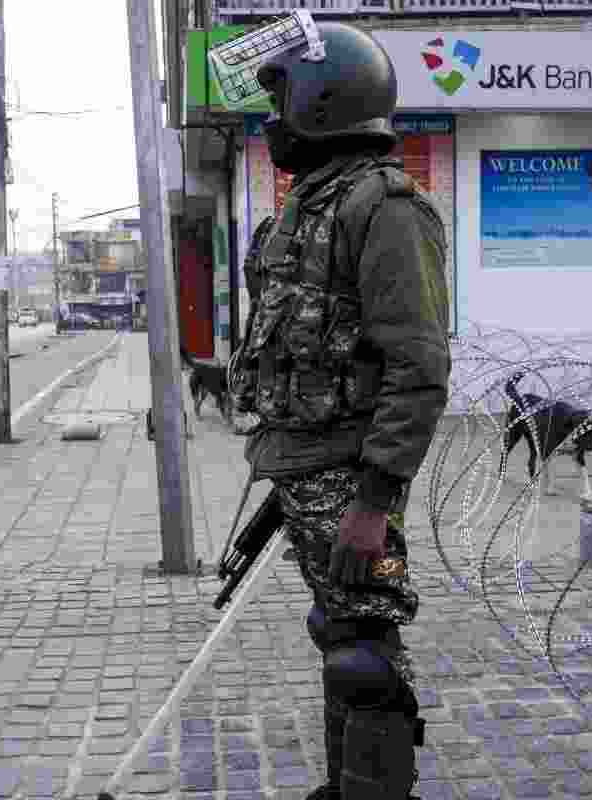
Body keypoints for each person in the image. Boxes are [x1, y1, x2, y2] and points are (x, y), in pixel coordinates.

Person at [228, 20, 451, 800]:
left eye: (281, 101)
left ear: (323, 106)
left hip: (358, 489)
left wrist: (373, 505)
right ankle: (348, 788)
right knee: (339, 638)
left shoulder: (385, 209)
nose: (269, 120)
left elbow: (418, 365)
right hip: (306, 470)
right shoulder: (308, 206)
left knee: (368, 648)